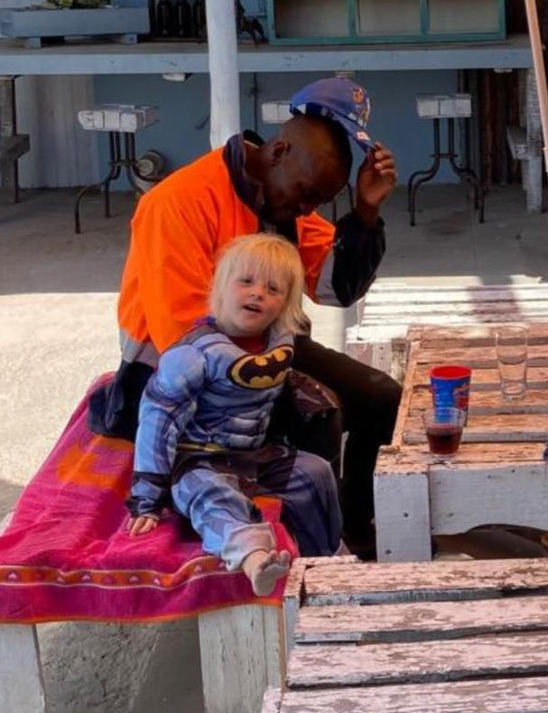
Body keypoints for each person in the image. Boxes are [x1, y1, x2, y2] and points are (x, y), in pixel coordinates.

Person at [89, 76, 401, 559]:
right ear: (277, 154)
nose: (306, 209)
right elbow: (183, 341)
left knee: (383, 398)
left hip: (264, 349)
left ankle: (356, 526)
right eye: (305, 196)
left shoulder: (281, 194)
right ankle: (312, 557)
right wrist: (280, 374)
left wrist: (364, 214)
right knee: (319, 411)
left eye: (319, 202)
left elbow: (334, 288)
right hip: (180, 373)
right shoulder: (177, 203)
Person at [124, 234, 342, 594]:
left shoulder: (279, 343)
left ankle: (327, 562)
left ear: (286, 304)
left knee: (315, 473)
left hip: (256, 454)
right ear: (221, 288)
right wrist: (147, 498)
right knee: (212, 496)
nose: (258, 293)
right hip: (198, 459)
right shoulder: (193, 354)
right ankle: (256, 560)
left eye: (273, 289)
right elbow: (157, 421)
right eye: (246, 281)